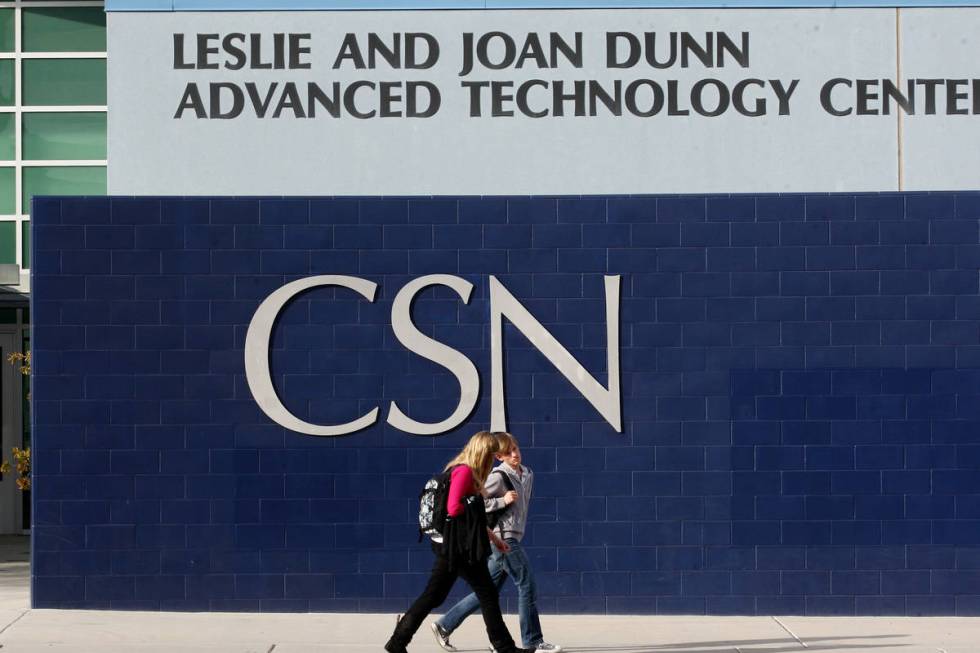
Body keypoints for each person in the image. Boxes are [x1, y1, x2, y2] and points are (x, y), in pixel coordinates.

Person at [385, 431, 536, 653]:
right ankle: (398, 642)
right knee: (443, 595)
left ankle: (504, 647)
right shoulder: (463, 471)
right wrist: (475, 501)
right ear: (482, 452)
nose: (492, 459)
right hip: (456, 547)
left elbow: (472, 517)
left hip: (460, 545)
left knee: (472, 594)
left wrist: (494, 538)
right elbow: (454, 509)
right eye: (490, 454)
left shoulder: (465, 471)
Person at [431, 432, 562, 653]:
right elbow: (476, 504)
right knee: (526, 583)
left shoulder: (528, 474)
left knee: (487, 591)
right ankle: (533, 641)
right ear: (499, 456)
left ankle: (445, 624)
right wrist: (503, 500)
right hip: (502, 537)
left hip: (512, 536)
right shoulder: (498, 476)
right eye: (508, 452)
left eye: (516, 449)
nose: (514, 454)